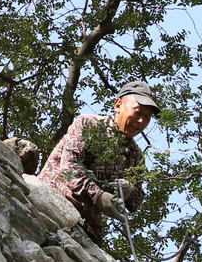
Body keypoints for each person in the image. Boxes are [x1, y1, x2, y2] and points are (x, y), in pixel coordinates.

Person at [37, 79, 159, 240]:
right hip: (51, 203)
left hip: (86, 227)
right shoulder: (88, 124)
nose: (142, 121)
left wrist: (129, 192)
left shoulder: (135, 155)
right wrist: (98, 195)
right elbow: (69, 166)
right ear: (118, 104)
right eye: (138, 112)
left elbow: (137, 200)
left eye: (147, 117)